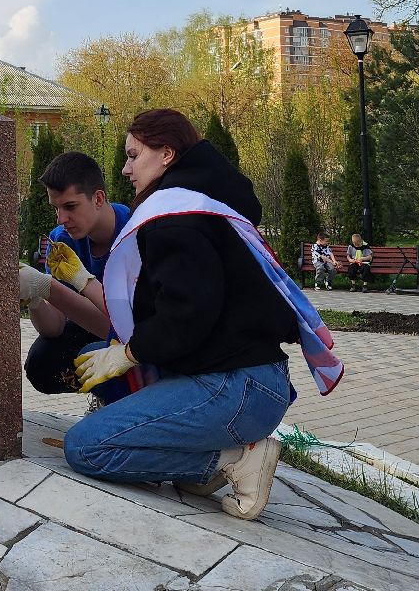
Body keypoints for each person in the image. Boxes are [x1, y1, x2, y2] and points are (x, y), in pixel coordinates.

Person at [62, 109, 342, 521]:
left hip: (235, 388)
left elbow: (187, 314)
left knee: (86, 447)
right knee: (93, 358)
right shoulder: (203, 203)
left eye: (134, 155)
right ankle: (214, 457)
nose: (125, 169)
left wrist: (129, 353)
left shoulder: (176, 218)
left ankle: (232, 460)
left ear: (167, 154)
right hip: (250, 382)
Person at [19, 152, 125, 396]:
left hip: (135, 340)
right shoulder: (61, 239)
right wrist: (34, 299)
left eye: (70, 207)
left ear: (98, 198)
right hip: (85, 325)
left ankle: (119, 399)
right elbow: (54, 327)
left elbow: (124, 329)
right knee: (41, 363)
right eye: (56, 208)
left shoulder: (133, 233)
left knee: (102, 354)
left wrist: (49, 287)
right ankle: (103, 394)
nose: (61, 219)